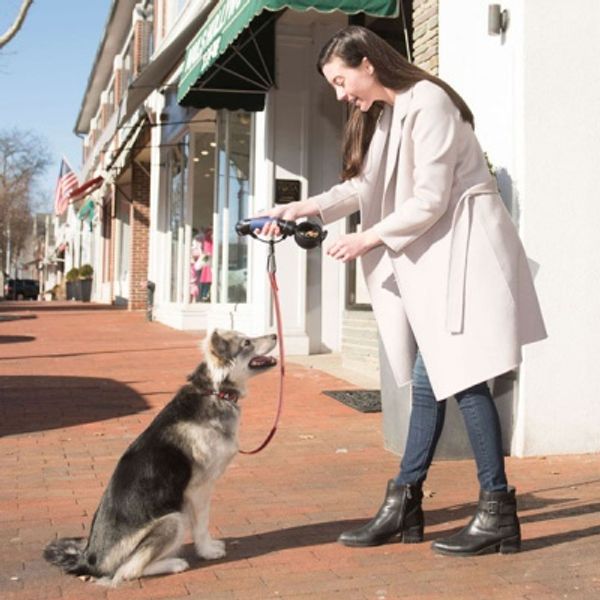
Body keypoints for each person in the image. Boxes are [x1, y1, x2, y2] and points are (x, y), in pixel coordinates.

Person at [259, 26, 547, 556]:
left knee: (463, 378)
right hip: (438, 257)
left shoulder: (429, 102)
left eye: (342, 81)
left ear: (367, 63)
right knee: (433, 379)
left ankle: (490, 510)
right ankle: (410, 502)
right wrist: (300, 208)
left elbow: (432, 199)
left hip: (464, 255)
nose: (342, 95)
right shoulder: (391, 115)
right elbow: (364, 188)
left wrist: (367, 237)